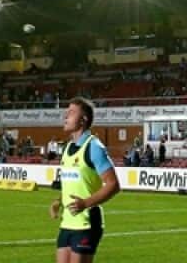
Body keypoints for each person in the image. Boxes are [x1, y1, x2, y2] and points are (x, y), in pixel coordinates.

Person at [51, 97, 121, 263]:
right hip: (67, 222)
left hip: (87, 223)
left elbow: (113, 185)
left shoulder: (93, 147)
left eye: (71, 113)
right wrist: (58, 201)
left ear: (83, 120)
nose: (65, 116)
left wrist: (85, 203)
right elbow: (71, 184)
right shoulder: (68, 147)